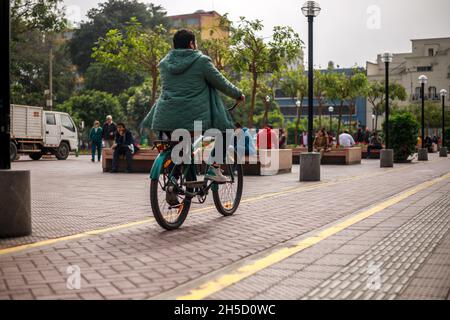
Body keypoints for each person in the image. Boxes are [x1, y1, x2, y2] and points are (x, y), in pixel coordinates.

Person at [142, 29, 245, 183]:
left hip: (165, 118)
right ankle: (214, 168)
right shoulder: (201, 61)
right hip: (194, 119)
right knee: (226, 132)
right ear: (191, 43)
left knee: (180, 147)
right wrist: (238, 95)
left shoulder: (164, 64)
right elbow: (221, 83)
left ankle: (174, 183)